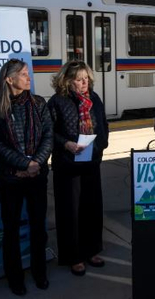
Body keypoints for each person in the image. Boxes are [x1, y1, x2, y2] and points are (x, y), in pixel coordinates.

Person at [0, 59, 53, 296]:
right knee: (11, 230)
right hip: (10, 179)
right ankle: (15, 277)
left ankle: (39, 272)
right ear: (9, 79)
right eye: (23, 74)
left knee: (38, 228)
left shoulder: (39, 103)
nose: (28, 77)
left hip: (37, 176)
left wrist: (35, 164)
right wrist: (25, 164)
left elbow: (48, 137)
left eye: (27, 73)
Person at [47, 61, 109, 277]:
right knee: (70, 212)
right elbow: (49, 132)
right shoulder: (57, 102)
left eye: (87, 78)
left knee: (92, 208)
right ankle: (73, 256)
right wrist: (66, 144)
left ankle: (92, 250)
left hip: (91, 162)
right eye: (79, 79)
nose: (85, 83)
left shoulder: (94, 98)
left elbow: (103, 125)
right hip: (67, 165)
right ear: (67, 80)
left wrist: (100, 146)